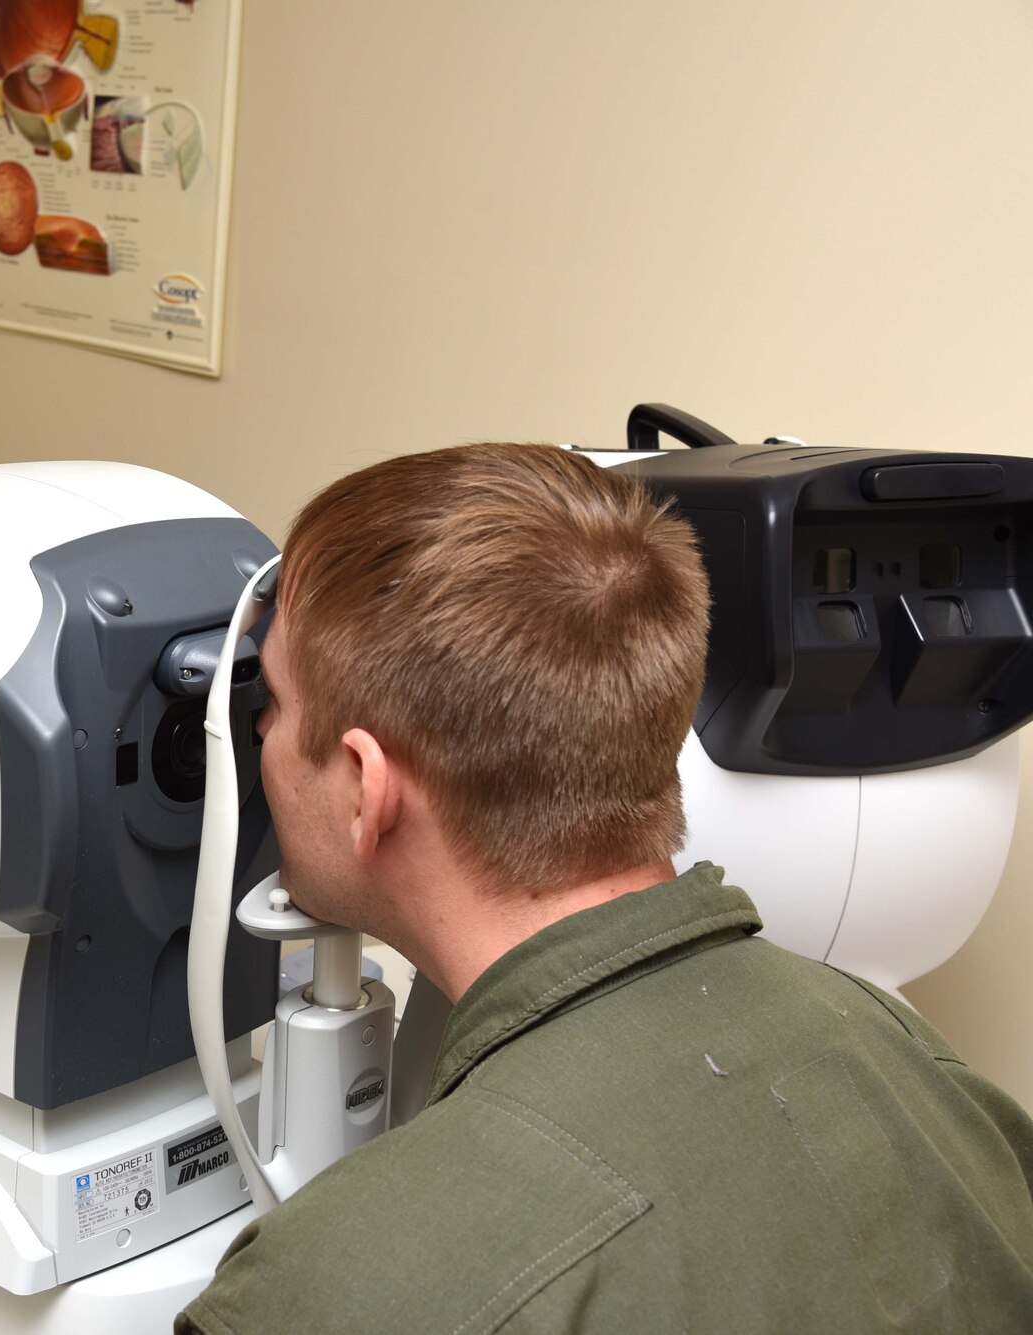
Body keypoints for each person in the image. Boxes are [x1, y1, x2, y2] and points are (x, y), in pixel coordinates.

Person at [179, 444, 1033, 1332]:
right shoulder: (927, 1077)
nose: (260, 734)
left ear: (366, 787)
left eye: (270, 702)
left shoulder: (333, 1286)